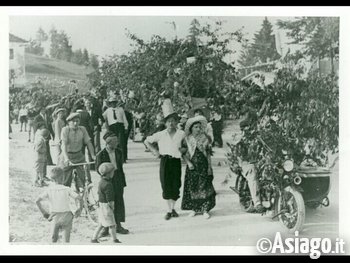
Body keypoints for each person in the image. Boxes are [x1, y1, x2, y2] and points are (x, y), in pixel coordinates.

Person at [144, 98, 185, 220]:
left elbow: (185, 145)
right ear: (165, 123)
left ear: (176, 122)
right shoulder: (161, 134)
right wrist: (154, 151)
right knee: (166, 184)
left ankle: (173, 208)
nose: (171, 124)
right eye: (168, 122)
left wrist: (184, 150)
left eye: (173, 121)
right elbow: (147, 140)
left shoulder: (181, 134)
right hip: (165, 161)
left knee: (176, 184)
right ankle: (169, 210)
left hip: (176, 161)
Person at [180, 115, 216, 219]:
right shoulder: (187, 139)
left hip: (203, 165)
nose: (198, 129)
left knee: (204, 186)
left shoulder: (205, 138)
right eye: (196, 127)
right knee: (193, 186)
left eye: (200, 127)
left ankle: (205, 209)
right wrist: (189, 163)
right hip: (192, 166)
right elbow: (183, 153)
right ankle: (195, 208)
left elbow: (208, 154)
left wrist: (209, 167)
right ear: (191, 128)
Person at [35, 167, 82, 243]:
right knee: (66, 240)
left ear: (52, 180)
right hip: (67, 216)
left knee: (53, 238)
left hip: (55, 216)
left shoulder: (49, 190)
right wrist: (79, 209)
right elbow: (79, 198)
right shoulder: (67, 189)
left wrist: (44, 212)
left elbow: (37, 201)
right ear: (63, 177)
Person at [96, 131, 129, 235]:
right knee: (107, 203)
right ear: (108, 143)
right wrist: (106, 174)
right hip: (107, 179)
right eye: (114, 142)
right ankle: (106, 228)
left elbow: (120, 165)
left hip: (118, 177)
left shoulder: (119, 152)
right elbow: (98, 169)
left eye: (117, 141)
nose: (117, 143)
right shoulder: (101, 154)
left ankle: (118, 225)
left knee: (119, 201)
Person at [58, 112, 96, 191]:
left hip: (79, 155)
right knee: (65, 180)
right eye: (73, 121)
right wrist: (66, 158)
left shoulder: (82, 129)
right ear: (69, 122)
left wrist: (93, 155)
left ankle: (84, 196)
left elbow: (88, 142)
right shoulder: (65, 130)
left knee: (84, 178)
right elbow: (63, 145)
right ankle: (65, 194)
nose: (75, 123)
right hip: (67, 155)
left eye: (77, 121)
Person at [91, 162, 121, 244]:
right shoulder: (108, 185)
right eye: (113, 172)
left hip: (101, 205)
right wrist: (112, 206)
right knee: (112, 224)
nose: (113, 174)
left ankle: (94, 238)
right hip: (106, 206)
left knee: (101, 223)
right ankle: (114, 239)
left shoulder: (101, 182)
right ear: (109, 174)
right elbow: (110, 199)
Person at [103, 96, 129, 163]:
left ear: (116, 103)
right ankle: (113, 158)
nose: (113, 104)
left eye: (114, 102)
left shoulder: (120, 109)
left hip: (120, 126)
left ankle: (123, 158)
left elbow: (124, 118)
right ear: (110, 104)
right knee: (112, 142)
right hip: (112, 127)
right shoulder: (108, 110)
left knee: (121, 142)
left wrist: (126, 127)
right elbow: (103, 117)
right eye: (112, 103)